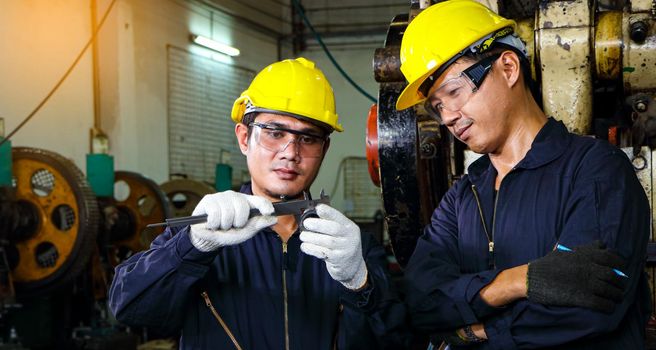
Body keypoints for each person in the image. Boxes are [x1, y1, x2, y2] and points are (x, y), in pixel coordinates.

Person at [396, 0, 651, 349]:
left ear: (509, 67)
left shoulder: (596, 170)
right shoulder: (463, 196)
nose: (449, 116)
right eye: (437, 106)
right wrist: (512, 283)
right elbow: (420, 301)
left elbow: (591, 305)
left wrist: (474, 331)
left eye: (454, 92)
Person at [109, 57, 409, 349]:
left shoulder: (349, 247)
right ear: (243, 138)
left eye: (308, 138)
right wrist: (192, 248)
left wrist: (361, 283)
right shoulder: (202, 236)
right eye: (275, 133)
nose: (290, 152)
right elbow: (130, 310)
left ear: (325, 148)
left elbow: (396, 339)